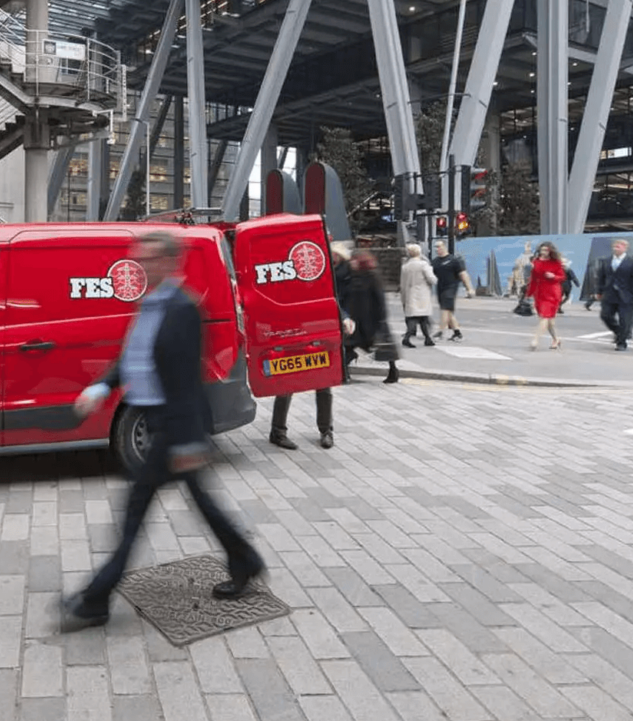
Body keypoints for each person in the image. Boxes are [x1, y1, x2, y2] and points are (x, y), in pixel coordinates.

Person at [61, 231, 264, 631]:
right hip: (158, 424)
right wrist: (100, 387)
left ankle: (96, 600)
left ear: (171, 262)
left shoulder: (182, 308)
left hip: (172, 429)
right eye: (139, 258)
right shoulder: (149, 304)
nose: (142, 265)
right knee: (201, 504)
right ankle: (246, 562)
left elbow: (188, 380)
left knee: (135, 514)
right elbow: (133, 358)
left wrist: (189, 439)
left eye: (150, 258)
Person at [270, 242, 354, 451]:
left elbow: (331, 300)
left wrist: (344, 318)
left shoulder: (321, 276)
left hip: (317, 333)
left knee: (324, 383)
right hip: (294, 335)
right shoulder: (286, 277)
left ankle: (326, 430)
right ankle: (277, 431)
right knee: (287, 384)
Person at [344, 250, 399, 383]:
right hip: (358, 319)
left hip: (372, 319)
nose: (352, 262)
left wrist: (381, 319)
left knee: (384, 348)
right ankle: (344, 372)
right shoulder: (353, 276)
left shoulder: (373, 276)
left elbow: (380, 299)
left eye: (354, 260)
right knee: (350, 345)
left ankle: (393, 372)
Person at [594, 239, 633, 351]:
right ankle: (618, 332)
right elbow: (601, 277)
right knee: (605, 315)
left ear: (625, 248)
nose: (616, 248)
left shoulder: (632, 263)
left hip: (626, 295)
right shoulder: (606, 261)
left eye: (619, 246)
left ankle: (621, 343)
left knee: (625, 320)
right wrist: (599, 291)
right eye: (615, 246)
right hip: (609, 294)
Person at [524, 240, 566, 350]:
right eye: (542, 250)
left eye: (546, 250)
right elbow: (533, 279)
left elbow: (562, 277)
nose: (543, 252)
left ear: (550, 251)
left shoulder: (556, 262)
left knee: (544, 317)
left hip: (552, 292)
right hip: (539, 292)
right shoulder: (536, 262)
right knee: (549, 320)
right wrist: (529, 294)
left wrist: (553, 276)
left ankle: (535, 340)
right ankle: (556, 339)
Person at [431, 240, 472, 340]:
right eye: (436, 247)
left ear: (445, 247)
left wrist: (469, 288)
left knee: (445, 309)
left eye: (439, 247)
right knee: (448, 311)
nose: (437, 249)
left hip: (451, 288)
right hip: (440, 288)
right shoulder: (435, 262)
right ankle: (457, 333)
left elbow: (463, 274)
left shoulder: (454, 260)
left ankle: (440, 331)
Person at [398, 243, 437, 348]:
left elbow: (402, 283)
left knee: (418, 317)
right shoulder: (423, 265)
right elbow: (432, 279)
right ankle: (407, 338)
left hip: (410, 294)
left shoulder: (405, 266)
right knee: (419, 317)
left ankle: (428, 338)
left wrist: (403, 298)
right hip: (422, 294)